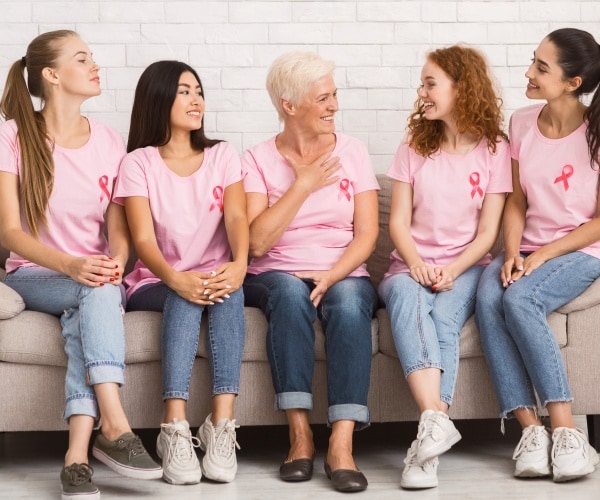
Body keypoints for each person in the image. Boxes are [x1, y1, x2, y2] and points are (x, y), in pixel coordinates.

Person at [0, 30, 162, 500]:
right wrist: (73, 265)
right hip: (35, 275)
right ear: (51, 75)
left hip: (91, 278)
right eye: (82, 59)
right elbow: (10, 232)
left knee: (87, 315)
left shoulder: (110, 141)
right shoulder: (13, 135)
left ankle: (75, 458)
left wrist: (115, 260)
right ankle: (115, 425)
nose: (95, 66)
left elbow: (117, 226)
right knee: (96, 293)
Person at [241, 51, 379, 493]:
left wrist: (334, 275)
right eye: (323, 98)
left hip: (342, 268)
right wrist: (301, 184)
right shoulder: (257, 159)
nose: (334, 106)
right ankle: (299, 436)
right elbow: (257, 242)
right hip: (275, 270)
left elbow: (367, 235)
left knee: (353, 305)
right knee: (287, 293)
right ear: (289, 105)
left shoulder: (353, 151)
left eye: (334, 95)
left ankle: (341, 444)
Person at [378, 45, 512, 489]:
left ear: (461, 87)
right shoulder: (414, 145)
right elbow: (397, 222)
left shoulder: (496, 149)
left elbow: (488, 232)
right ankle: (436, 420)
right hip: (410, 264)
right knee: (404, 299)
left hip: (467, 265)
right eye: (423, 83)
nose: (422, 92)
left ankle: (427, 448)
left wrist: (452, 269)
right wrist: (415, 264)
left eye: (430, 83)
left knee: (444, 319)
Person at [114, 60, 248, 486]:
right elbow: (144, 240)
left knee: (228, 291)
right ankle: (174, 427)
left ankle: (221, 424)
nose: (197, 100)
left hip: (214, 276)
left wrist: (240, 264)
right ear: (158, 99)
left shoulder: (222, 154)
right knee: (184, 296)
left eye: (198, 90)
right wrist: (176, 278)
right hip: (156, 282)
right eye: (184, 91)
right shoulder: (138, 162)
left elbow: (236, 218)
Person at [475, 27, 600, 483]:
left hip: (581, 249)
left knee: (520, 300)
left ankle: (567, 432)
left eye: (541, 68)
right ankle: (532, 433)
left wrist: (542, 255)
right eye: (533, 61)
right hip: (525, 246)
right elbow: (517, 201)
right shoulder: (522, 122)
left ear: (572, 82)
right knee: (489, 298)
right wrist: (510, 252)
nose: (528, 73)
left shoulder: (597, 132)